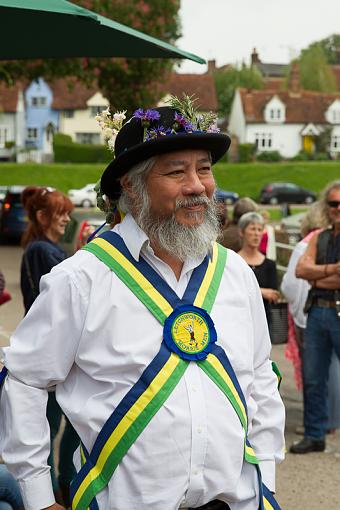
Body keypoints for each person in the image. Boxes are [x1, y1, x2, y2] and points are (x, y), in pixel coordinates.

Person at [0, 98, 285, 510]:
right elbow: (24, 380)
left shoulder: (236, 273)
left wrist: (267, 480)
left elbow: (260, 376)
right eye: (176, 171)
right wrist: (40, 498)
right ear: (131, 187)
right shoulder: (81, 279)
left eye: (204, 168)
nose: (197, 185)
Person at [19, 186, 79, 506]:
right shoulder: (43, 250)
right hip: (53, 350)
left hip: (52, 348)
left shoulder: (42, 247)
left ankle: (63, 480)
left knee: (59, 422)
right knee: (57, 422)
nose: (66, 220)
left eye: (68, 213)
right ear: (42, 217)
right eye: (61, 213)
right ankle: (62, 484)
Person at [290, 180, 340, 454]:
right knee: (312, 377)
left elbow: (310, 271)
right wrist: (332, 269)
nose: (338, 208)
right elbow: (300, 270)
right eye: (333, 203)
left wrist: (316, 273)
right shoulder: (320, 236)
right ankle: (314, 434)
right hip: (318, 311)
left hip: (335, 308)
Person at [237, 212, 280, 330]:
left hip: (263, 322)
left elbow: (273, 295)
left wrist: (251, 291)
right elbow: (233, 290)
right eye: (252, 229)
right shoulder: (233, 261)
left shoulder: (269, 264)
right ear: (241, 232)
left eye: (260, 229)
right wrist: (262, 292)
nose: (256, 234)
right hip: (239, 320)